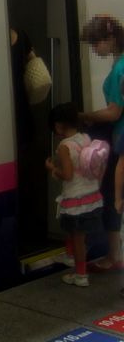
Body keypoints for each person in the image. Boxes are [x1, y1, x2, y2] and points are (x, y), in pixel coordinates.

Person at [80, 15, 124, 272]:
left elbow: (114, 112)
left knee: (113, 196)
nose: (95, 50)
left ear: (110, 38)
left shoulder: (120, 68)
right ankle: (114, 254)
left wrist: (86, 116)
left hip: (119, 138)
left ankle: (114, 255)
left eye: (96, 43)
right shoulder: (119, 63)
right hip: (117, 138)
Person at [46, 103, 104, 286]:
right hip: (92, 196)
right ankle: (72, 258)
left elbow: (68, 175)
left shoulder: (64, 146)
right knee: (79, 236)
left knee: (77, 237)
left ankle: (80, 275)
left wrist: (52, 168)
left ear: (58, 125)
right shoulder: (86, 138)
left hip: (76, 200)